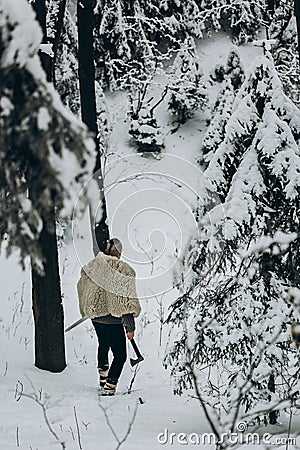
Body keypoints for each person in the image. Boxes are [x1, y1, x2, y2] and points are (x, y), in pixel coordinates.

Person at [77, 238, 141, 396]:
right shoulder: (122, 269)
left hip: (96, 318)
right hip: (112, 319)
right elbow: (124, 300)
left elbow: (82, 286)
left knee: (103, 344)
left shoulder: (92, 266)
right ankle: (110, 386)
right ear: (119, 253)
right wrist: (130, 326)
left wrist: (88, 308)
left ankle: (103, 379)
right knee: (120, 355)